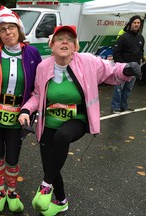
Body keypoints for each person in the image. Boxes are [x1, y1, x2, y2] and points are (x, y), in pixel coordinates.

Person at [18, 25, 142, 216]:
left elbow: (111, 70)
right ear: (52, 45)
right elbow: (37, 94)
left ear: (76, 46)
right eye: (60, 38)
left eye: (70, 38)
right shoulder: (43, 67)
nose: (65, 41)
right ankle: (61, 201)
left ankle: (44, 187)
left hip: (78, 119)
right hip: (49, 122)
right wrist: (26, 110)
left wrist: (126, 69)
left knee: (62, 137)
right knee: (50, 166)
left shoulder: (88, 61)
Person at [0, 6, 42, 213]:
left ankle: (12, 192)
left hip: (19, 117)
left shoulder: (31, 52)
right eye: (3, 29)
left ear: (19, 30)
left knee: (13, 157)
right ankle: (0, 191)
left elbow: (40, 84)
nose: (7, 32)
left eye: (11, 28)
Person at [111, 15, 145, 114]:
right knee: (119, 89)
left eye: (138, 23)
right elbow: (116, 52)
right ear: (130, 24)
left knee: (128, 89)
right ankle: (115, 107)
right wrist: (122, 66)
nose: (136, 25)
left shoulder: (141, 37)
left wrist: (140, 61)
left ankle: (124, 106)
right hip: (123, 69)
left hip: (134, 69)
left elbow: (141, 50)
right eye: (134, 23)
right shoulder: (123, 37)